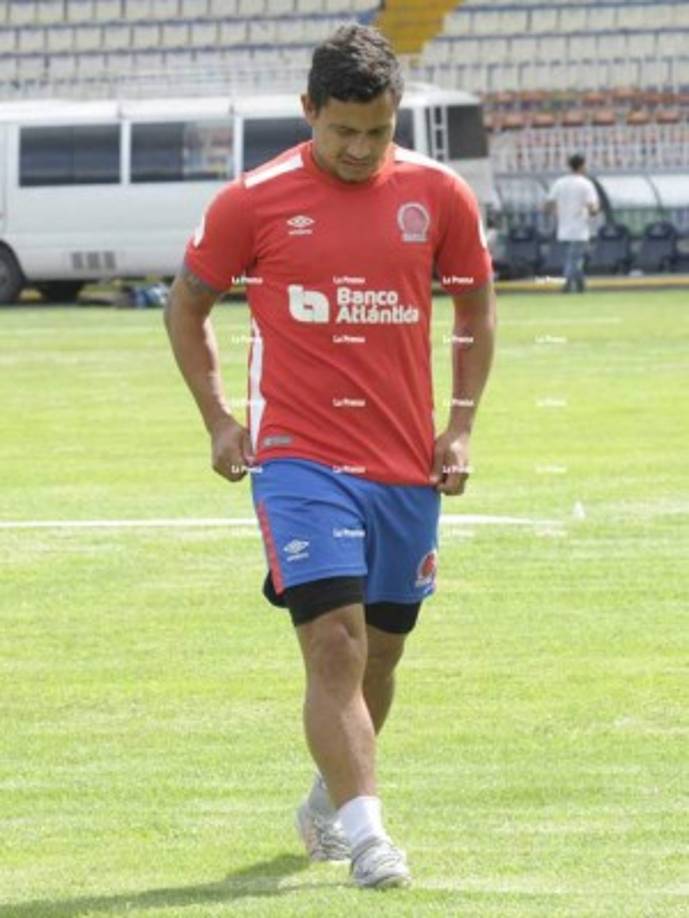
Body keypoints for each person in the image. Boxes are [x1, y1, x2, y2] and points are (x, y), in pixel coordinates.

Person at [164, 24, 495, 890]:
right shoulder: (252, 201)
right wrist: (219, 420)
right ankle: (370, 838)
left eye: (377, 132)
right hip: (298, 460)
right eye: (342, 130)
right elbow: (186, 307)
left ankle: (330, 797)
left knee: (379, 656)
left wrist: (459, 426)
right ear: (308, 109)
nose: (359, 149)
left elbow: (475, 310)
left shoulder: (440, 195)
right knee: (335, 646)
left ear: (396, 118)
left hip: (402, 464)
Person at [545, 153, 600, 293]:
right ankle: (567, 284)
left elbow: (548, 204)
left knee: (573, 259)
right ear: (581, 165)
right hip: (579, 230)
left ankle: (581, 287)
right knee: (574, 260)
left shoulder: (559, 183)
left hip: (563, 229)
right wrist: (594, 212)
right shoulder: (585, 184)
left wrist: (556, 213)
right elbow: (592, 207)